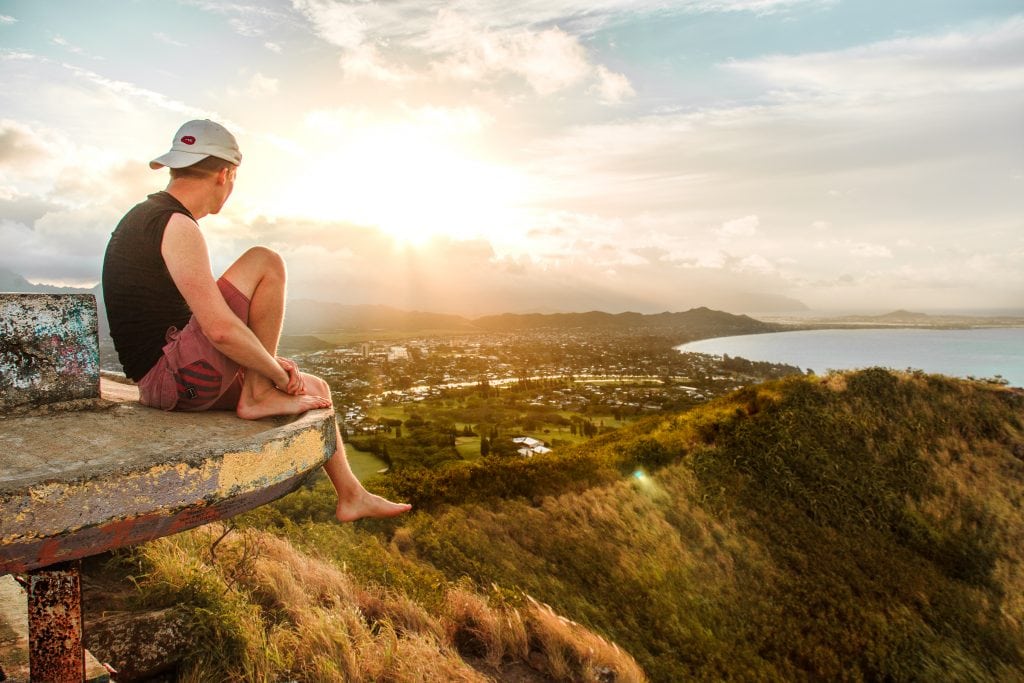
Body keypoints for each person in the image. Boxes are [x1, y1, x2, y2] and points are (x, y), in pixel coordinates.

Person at [102, 119, 410, 522]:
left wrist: (268, 367)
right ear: (226, 174)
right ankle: (258, 393)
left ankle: (352, 495)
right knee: (266, 261)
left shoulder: (146, 217)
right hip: (173, 377)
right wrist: (273, 374)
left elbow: (205, 318)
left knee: (317, 388)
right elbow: (219, 329)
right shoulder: (175, 224)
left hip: (167, 383)